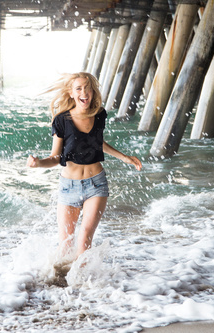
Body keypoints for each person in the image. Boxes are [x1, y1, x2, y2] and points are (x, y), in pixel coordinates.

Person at [26, 72, 142, 262]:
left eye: (87, 88)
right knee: (65, 244)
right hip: (68, 186)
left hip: (96, 184)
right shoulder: (61, 120)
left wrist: (124, 158)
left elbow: (97, 142)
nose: (84, 92)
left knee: (85, 237)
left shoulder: (99, 115)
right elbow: (55, 157)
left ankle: (80, 285)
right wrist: (38, 164)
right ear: (71, 93)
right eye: (79, 88)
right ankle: (60, 281)